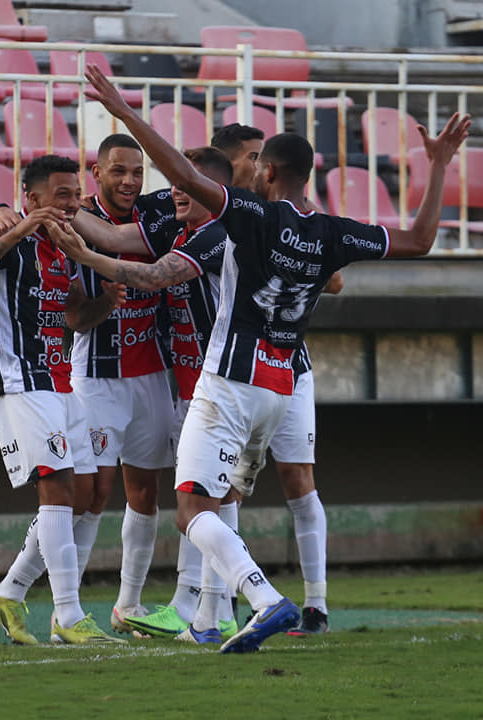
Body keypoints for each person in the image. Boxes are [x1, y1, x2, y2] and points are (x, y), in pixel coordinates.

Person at [82, 63, 471, 653]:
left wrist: (127, 115)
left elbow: (183, 173)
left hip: (230, 380)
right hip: (280, 385)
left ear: (266, 172)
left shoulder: (251, 214)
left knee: (192, 509)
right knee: (225, 499)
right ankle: (211, 619)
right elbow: (419, 240)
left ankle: (264, 600)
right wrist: (438, 164)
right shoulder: (334, 231)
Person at [0, 154, 125, 645]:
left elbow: (72, 316)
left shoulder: (63, 247)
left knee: (88, 494)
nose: (72, 203)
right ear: (33, 198)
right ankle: (67, 616)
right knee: (58, 485)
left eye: (76, 194)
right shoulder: (9, 241)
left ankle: (9, 591)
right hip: (18, 378)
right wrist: (11, 226)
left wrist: (104, 303)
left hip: (59, 381)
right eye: (62, 195)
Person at [213, 122, 335, 636]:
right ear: (230, 165)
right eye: (251, 156)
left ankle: (316, 606)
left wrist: (302, 242)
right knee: (222, 488)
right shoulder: (215, 213)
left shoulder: (286, 215)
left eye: (264, 157)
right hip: (231, 369)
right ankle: (224, 603)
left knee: (297, 480)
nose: (260, 165)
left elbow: (336, 279)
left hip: (289, 366)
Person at [66, 134, 181, 634]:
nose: (130, 180)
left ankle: (128, 605)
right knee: (93, 492)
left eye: (137, 171)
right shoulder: (74, 221)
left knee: (146, 491)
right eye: (119, 171)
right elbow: (72, 316)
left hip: (152, 374)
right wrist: (105, 305)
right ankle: (64, 608)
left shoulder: (157, 216)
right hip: (98, 375)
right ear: (96, 173)